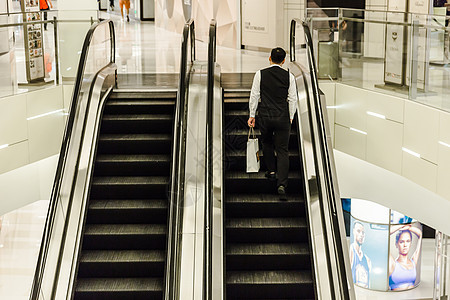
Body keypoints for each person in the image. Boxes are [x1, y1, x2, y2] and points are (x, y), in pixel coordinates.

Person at [247, 47, 297, 200]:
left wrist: (252, 115)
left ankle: (271, 171)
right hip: (282, 116)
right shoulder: (290, 76)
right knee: (282, 150)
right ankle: (282, 184)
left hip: (265, 116)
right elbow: (292, 99)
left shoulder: (260, 74)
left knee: (267, 142)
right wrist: (290, 116)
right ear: (283, 61)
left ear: (270, 58)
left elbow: (254, 95)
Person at [389, 224, 422, 291]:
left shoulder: (413, 262)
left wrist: (408, 228)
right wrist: (401, 226)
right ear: (396, 244)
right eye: (401, 242)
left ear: (410, 243)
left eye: (408, 241)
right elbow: (385, 233)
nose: (405, 245)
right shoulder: (393, 264)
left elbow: (420, 234)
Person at [349, 221, 372, 288]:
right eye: (358, 231)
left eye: (363, 232)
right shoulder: (351, 251)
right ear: (353, 231)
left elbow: (369, 284)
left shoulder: (367, 260)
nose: (361, 235)